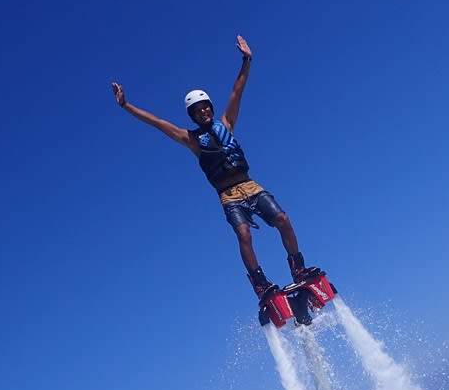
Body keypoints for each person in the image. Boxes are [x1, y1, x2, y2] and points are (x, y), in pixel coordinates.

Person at [111, 35, 318, 300]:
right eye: (197, 111)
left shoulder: (226, 123)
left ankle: (297, 268)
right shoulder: (192, 140)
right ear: (193, 116)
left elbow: (237, 90)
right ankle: (261, 284)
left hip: (251, 186)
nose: (203, 112)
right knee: (243, 234)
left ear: (211, 107)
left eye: (205, 107)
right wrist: (126, 105)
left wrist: (247, 59)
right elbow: (157, 122)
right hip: (229, 196)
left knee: (283, 220)